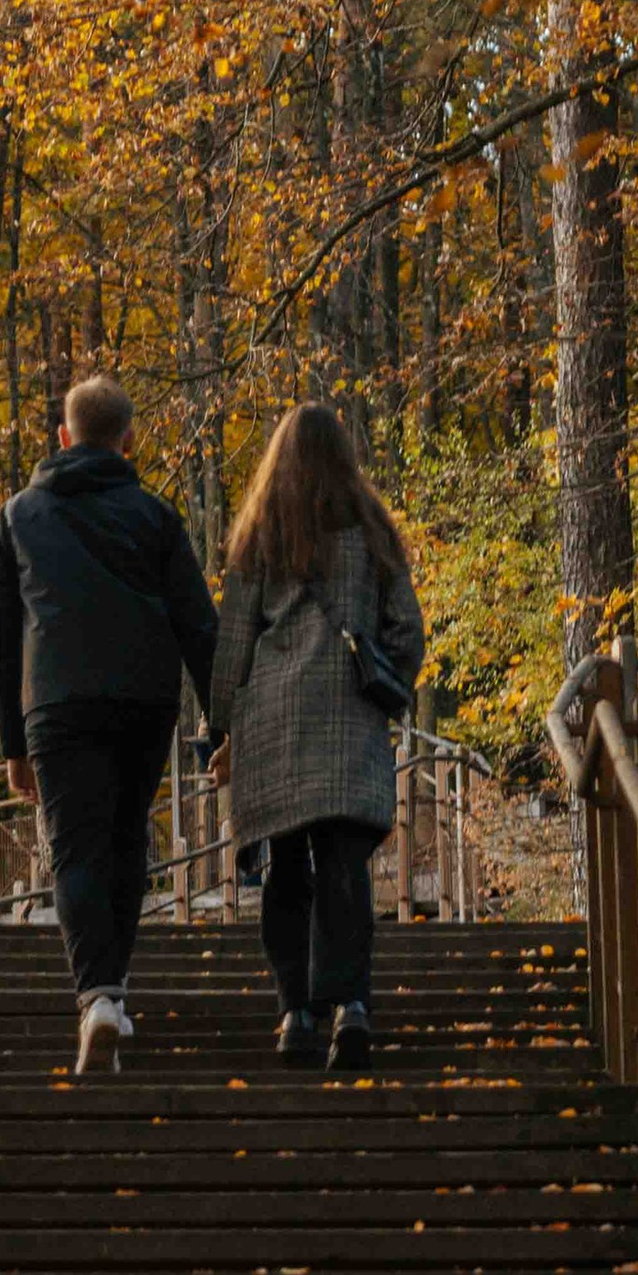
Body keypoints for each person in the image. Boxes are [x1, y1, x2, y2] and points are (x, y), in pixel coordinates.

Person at [0, 372, 217, 1076]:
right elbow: (197, 623)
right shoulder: (156, 516)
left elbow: (3, 639)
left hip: (56, 703)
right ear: (129, 440)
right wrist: (222, 719)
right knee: (125, 844)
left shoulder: (18, 515)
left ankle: (97, 998)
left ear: (63, 437)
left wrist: (12, 745)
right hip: (143, 701)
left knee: (75, 849)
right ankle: (111, 996)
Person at [208, 401, 426, 1076]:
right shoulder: (373, 533)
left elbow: (234, 645)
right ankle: (351, 1008)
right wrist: (387, 680)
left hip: (273, 720)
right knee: (343, 869)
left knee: (286, 871)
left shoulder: (259, 536)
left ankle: (294, 1014)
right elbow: (407, 633)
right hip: (349, 717)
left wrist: (219, 728)